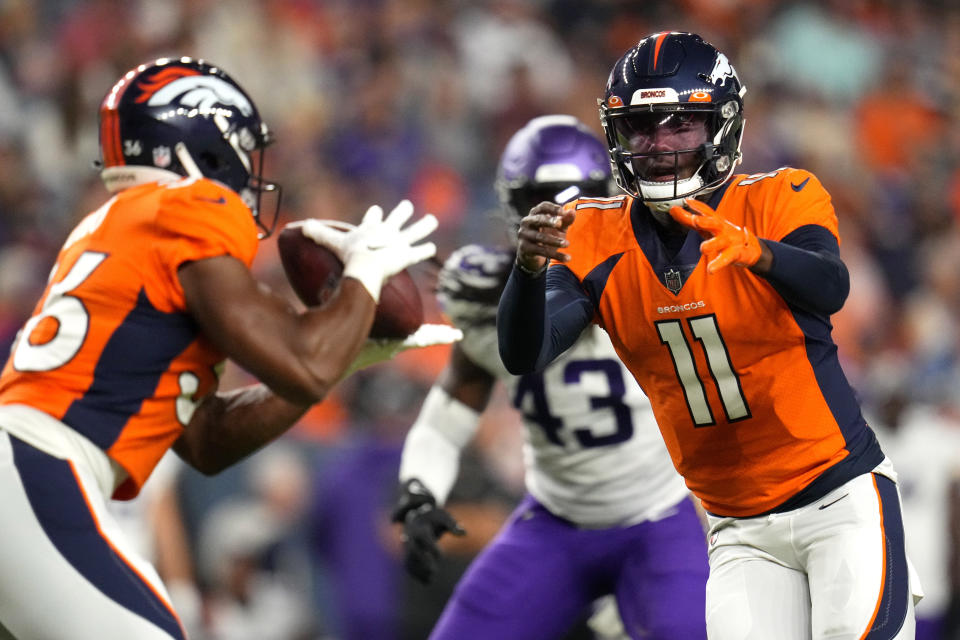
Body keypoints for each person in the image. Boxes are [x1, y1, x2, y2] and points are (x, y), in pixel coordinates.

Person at [0, 56, 455, 640]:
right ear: (204, 146)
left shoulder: (121, 223)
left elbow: (205, 439)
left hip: (30, 468)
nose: (249, 171)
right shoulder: (191, 207)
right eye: (242, 149)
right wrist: (364, 273)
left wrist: (346, 355)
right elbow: (304, 364)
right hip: (39, 468)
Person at [497, 32, 923, 639]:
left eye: (680, 126)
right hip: (737, 528)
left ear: (721, 126)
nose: (660, 147)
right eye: (641, 128)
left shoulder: (779, 195)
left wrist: (759, 254)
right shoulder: (592, 236)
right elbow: (524, 351)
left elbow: (831, 287)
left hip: (839, 498)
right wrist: (528, 269)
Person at [392, 114, 709, 639]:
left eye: (575, 203)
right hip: (555, 523)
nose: (562, 221)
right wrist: (421, 490)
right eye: (543, 204)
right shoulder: (489, 305)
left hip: (655, 521)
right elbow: (448, 415)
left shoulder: (653, 280)